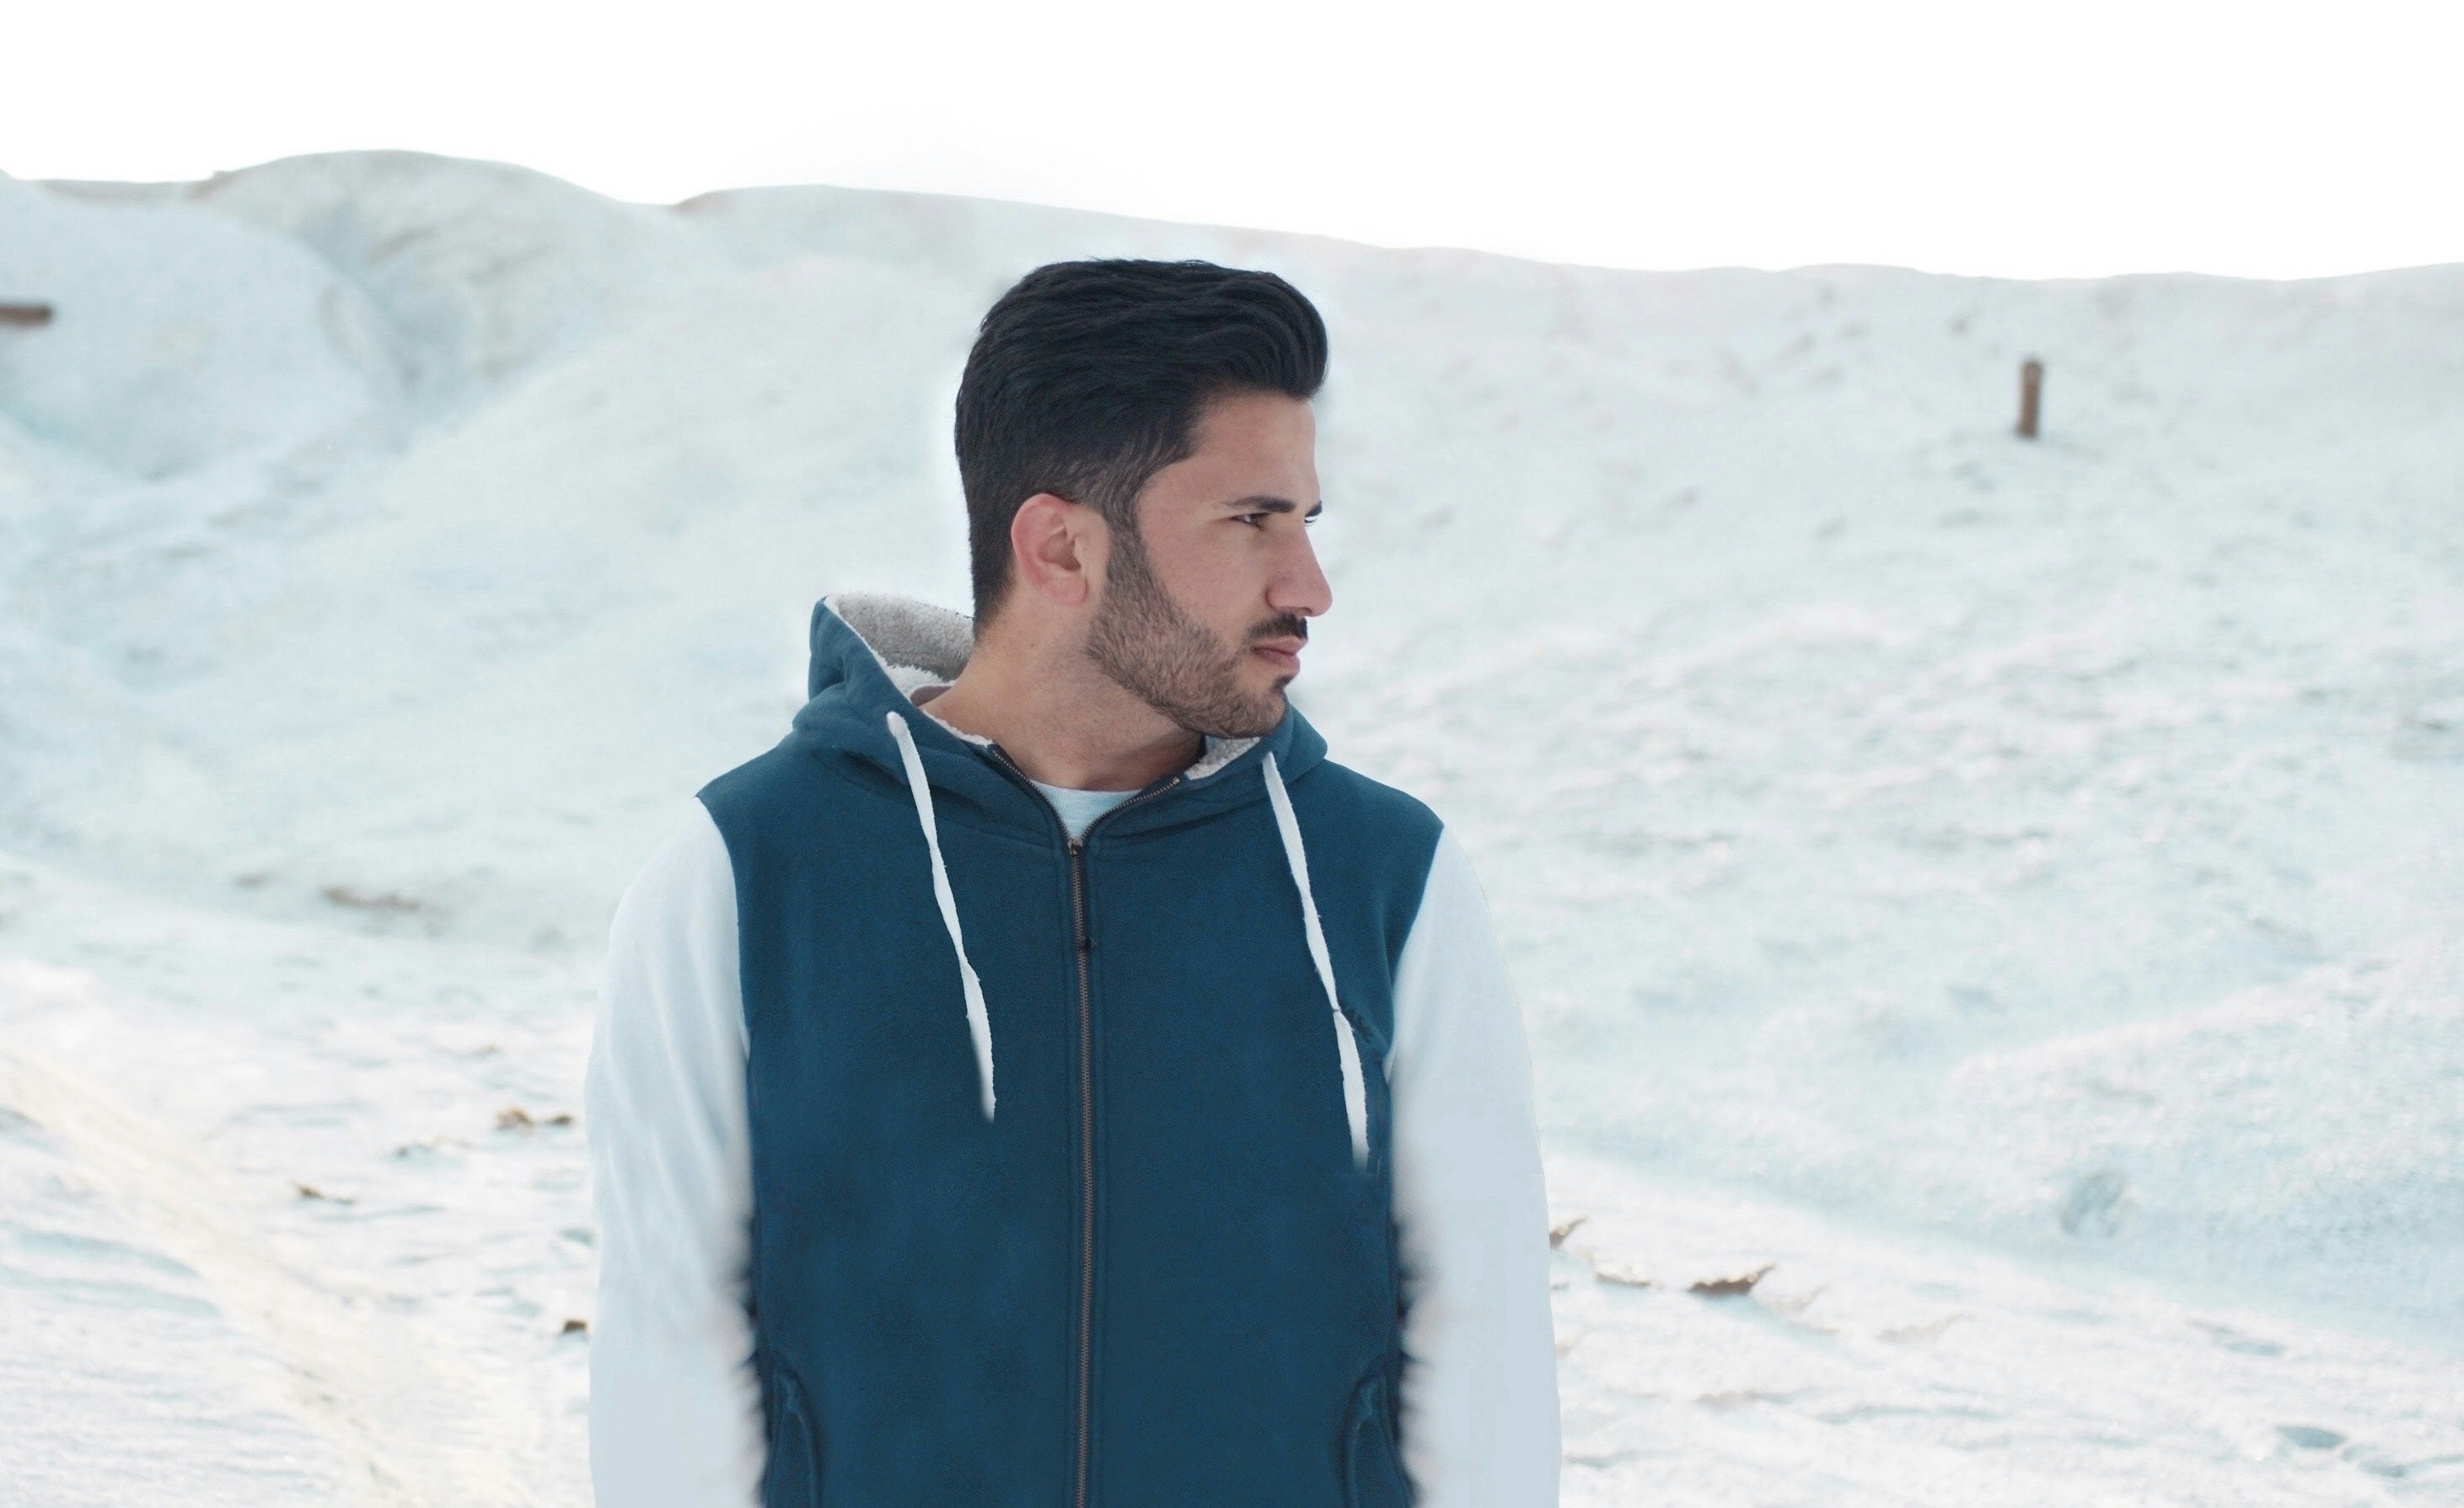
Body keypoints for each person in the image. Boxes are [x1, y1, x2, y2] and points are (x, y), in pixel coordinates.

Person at [586, 258, 1558, 1507]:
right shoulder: (746, 869)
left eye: (1306, 522)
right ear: (1060, 548)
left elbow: (1483, 1343)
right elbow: (669, 1349)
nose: (1308, 587)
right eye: (1251, 520)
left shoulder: (1384, 878)